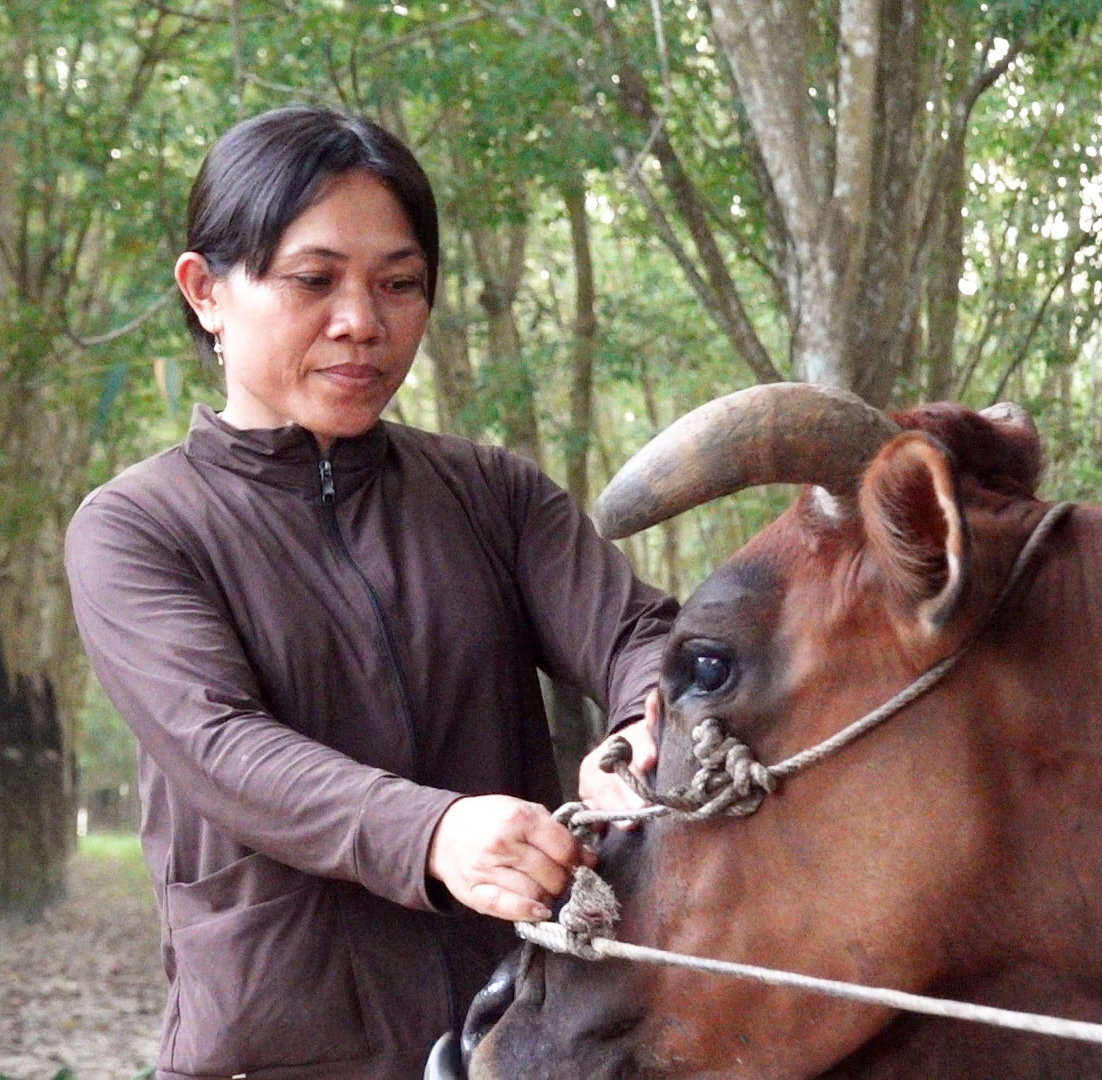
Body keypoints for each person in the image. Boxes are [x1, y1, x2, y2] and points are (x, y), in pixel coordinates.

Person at [63, 104, 676, 1080]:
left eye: (400, 284)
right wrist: (435, 832)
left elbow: (643, 636)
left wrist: (641, 737)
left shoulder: (491, 495)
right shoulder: (139, 528)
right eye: (314, 280)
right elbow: (222, 746)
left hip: (524, 1031)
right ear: (206, 290)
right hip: (280, 1046)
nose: (363, 321)